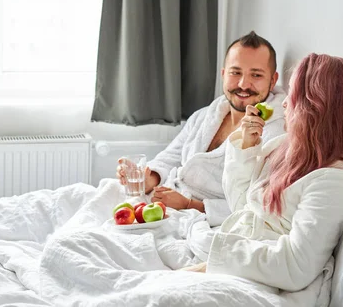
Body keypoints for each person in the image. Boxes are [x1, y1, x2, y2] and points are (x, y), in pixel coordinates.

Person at [181, 53, 343, 293]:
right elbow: (241, 205)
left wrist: (214, 260)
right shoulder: (286, 148)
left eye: (292, 95)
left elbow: (296, 267)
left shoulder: (334, 180)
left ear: (316, 105)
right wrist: (247, 148)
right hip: (236, 257)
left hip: (261, 278)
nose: (284, 103)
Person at [117, 31, 287, 226]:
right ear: (223, 74)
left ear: (273, 80)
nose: (243, 84)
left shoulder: (276, 133)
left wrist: (190, 204)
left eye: (256, 75)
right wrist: (150, 179)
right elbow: (170, 156)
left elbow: (259, 205)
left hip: (207, 218)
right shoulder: (206, 115)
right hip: (165, 201)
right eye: (235, 72)